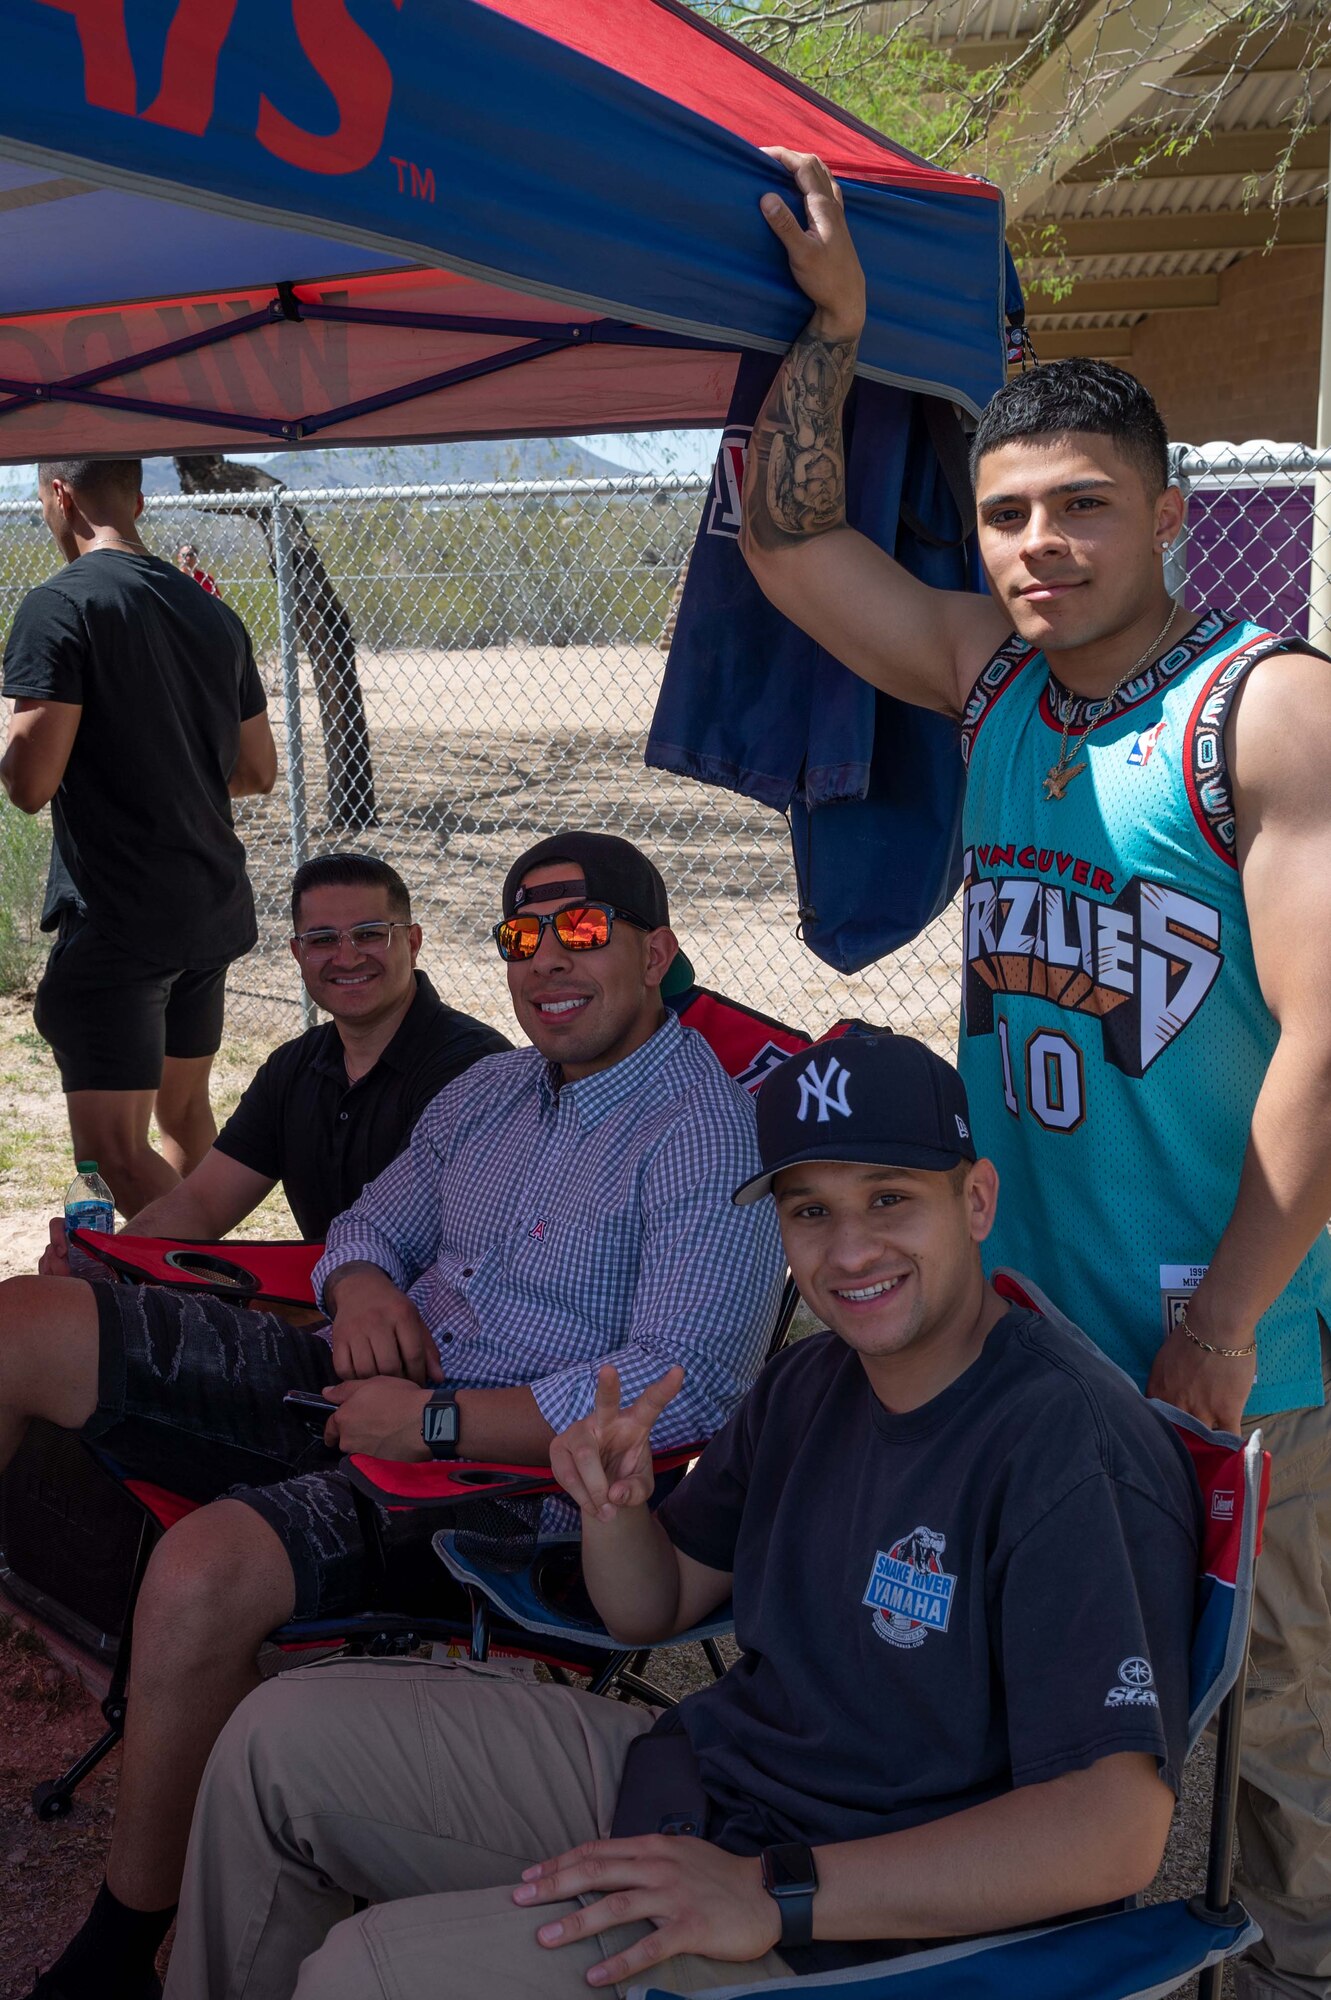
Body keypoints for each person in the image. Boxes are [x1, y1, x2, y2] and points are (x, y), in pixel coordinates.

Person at [737, 151, 1331, 2000]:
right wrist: (832, 336)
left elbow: (1330, 1038)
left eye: (1081, 508)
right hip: (1036, 1330)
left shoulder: (1264, 709)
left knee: (1282, 1748)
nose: (1037, 547)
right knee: (1087, 1733)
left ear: (1167, 514)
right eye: (1005, 516)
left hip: (1244, 1349)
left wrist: (1229, 1320)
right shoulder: (995, 683)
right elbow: (784, 543)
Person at [162, 1032, 1199, 2000]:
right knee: (274, 1739)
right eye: (808, 1210)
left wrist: (774, 1889)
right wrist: (611, 1508)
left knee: (366, 1973)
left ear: (974, 1199)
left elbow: (1110, 1833)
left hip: (868, 1909)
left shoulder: (1065, 1445)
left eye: (888, 1199)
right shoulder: (809, 1383)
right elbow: (652, 1607)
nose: (847, 1251)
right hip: (705, 1786)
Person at [3, 829, 783, 2000]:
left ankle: (121, 1946)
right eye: (521, 938)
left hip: (515, 1480)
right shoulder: (489, 1090)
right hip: (360, 1379)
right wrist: (362, 1282)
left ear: (654, 947)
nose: (546, 963)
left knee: (206, 1567)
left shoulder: (705, 1133)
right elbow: (369, 1223)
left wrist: (434, 1424)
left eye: (581, 930)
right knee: (22, 1322)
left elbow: (687, 1380)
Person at [1, 458, 277, 1217]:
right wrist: (164, 759)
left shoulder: (59, 607)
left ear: (59, 496)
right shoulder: (210, 613)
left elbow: (30, 785)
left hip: (121, 918)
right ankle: (205, 1305)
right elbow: (256, 769)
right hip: (208, 905)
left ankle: (236, 1299)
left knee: (116, 1156)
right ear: (141, 499)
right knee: (181, 1114)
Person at [40, 849, 509, 1269]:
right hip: (326, 1309)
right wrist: (106, 1263)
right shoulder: (293, 1068)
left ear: (412, 942)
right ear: (297, 953)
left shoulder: (473, 1069)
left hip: (439, 1328)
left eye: (369, 934)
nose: (346, 957)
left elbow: (431, 1250)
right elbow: (200, 1205)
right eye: (322, 939)